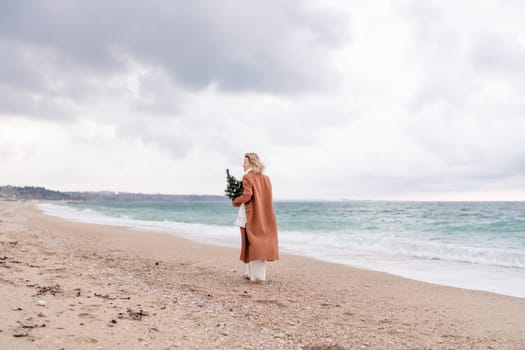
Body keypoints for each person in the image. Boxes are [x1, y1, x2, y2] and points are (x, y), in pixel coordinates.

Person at [232, 153, 279, 282]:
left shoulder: (247, 177)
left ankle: (257, 276)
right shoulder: (266, 178)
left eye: (245, 162)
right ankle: (249, 272)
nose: (243, 164)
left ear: (251, 163)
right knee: (259, 240)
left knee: (252, 241)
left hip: (251, 214)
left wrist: (235, 200)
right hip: (264, 214)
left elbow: (247, 196)